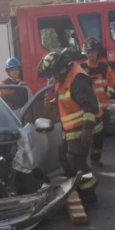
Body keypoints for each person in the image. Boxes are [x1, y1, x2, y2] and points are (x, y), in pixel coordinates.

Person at [37, 51, 103, 203]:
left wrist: (87, 129)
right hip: (70, 130)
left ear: (61, 69)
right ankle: (75, 185)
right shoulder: (65, 76)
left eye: (53, 73)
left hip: (81, 129)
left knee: (76, 160)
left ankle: (88, 194)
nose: (52, 77)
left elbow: (90, 106)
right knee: (64, 156)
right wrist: (56, 102)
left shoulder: (78, 78)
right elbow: (70, 97)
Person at [80, 38, 115, 167]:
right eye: (88, 52)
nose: (90, 54)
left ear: (97, 53)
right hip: (88, 109)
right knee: (85, 136)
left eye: (93, 52)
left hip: (102, 109)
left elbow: (112, 81)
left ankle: (95, 159)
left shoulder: (104, 67)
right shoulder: (81, 68)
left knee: (99, 137)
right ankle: (83, 160)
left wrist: (109, 93)